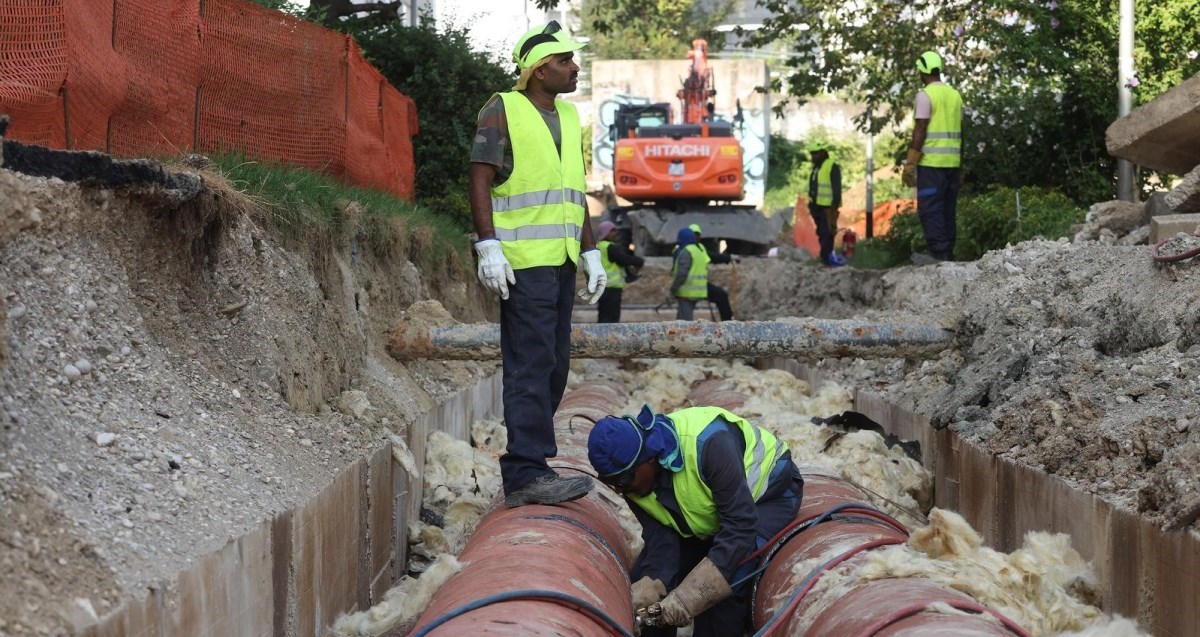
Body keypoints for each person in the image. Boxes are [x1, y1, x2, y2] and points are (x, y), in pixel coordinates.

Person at [469, 21, 605, 508]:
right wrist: (489, 245)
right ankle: (526, 472)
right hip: (522, 262)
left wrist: (591, 249)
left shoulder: (568, 118)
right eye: (566, 60)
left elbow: (574, 192)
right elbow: (480, 178)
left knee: (553, 365)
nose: (575, 68)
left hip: (562, 259)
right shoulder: (502, 109)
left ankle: (533, 464)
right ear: (539, 68)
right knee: (530, 364)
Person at [587, 405, 805, 636]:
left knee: (724, 589)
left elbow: (739, 527)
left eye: (622, 479)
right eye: (611, 482)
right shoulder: (632, 479)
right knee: (646, 592)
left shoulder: (710, 445)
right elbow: (660, 536)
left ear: (648, 459)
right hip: (713, 515)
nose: (619, 489)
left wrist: (690, 596)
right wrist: (655, 582)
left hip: (766, 498)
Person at [903, 50, 963, 265]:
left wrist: (911, 162)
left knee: (931, 208)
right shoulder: (955, 95)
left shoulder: (925, 95)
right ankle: (947, 253)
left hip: (931, 164)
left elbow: (921, 127)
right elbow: (959, 130)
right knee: (948, 208)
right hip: (952, 164)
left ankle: (938, 254)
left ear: (923, 70)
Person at [596, 220, 645, 323]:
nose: (615, 233)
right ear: (606, 232)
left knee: (603, 315)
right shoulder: (610, 247)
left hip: (602, 287)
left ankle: (600, 337)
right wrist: (639, 261)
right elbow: (623, 260)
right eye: (612, 230)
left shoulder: (599, 246)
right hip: (612, 287)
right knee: (612, 317)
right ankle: (610, 337)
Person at [806, 143, 845, 267]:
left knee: (827, 233)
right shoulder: (817, 168)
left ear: (822, 153)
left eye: (815, 154)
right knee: (822, 233)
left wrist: (834, 207)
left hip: (827, 208)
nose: (813, 157)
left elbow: (836, 188)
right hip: (817, 206)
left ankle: (826, 259)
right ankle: (824, 258)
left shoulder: (831, 166)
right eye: (812, 154)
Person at [688, 223, 735, 320]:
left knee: (722, 296)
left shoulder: (701, 248)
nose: (695, 237)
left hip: (700, 285)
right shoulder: (686, 250)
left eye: (697, 235)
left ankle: (727, 323)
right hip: (689, 286)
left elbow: (714, 257)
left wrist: (729, 257)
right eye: (693, 234)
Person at [668, 226, 707, 320]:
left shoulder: (687, 252)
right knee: (681, 320)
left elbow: (682, 274)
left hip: (687, 292)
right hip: (698, 291)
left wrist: (672, 290)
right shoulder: (699, 250)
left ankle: (688, 335)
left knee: (685, 323)